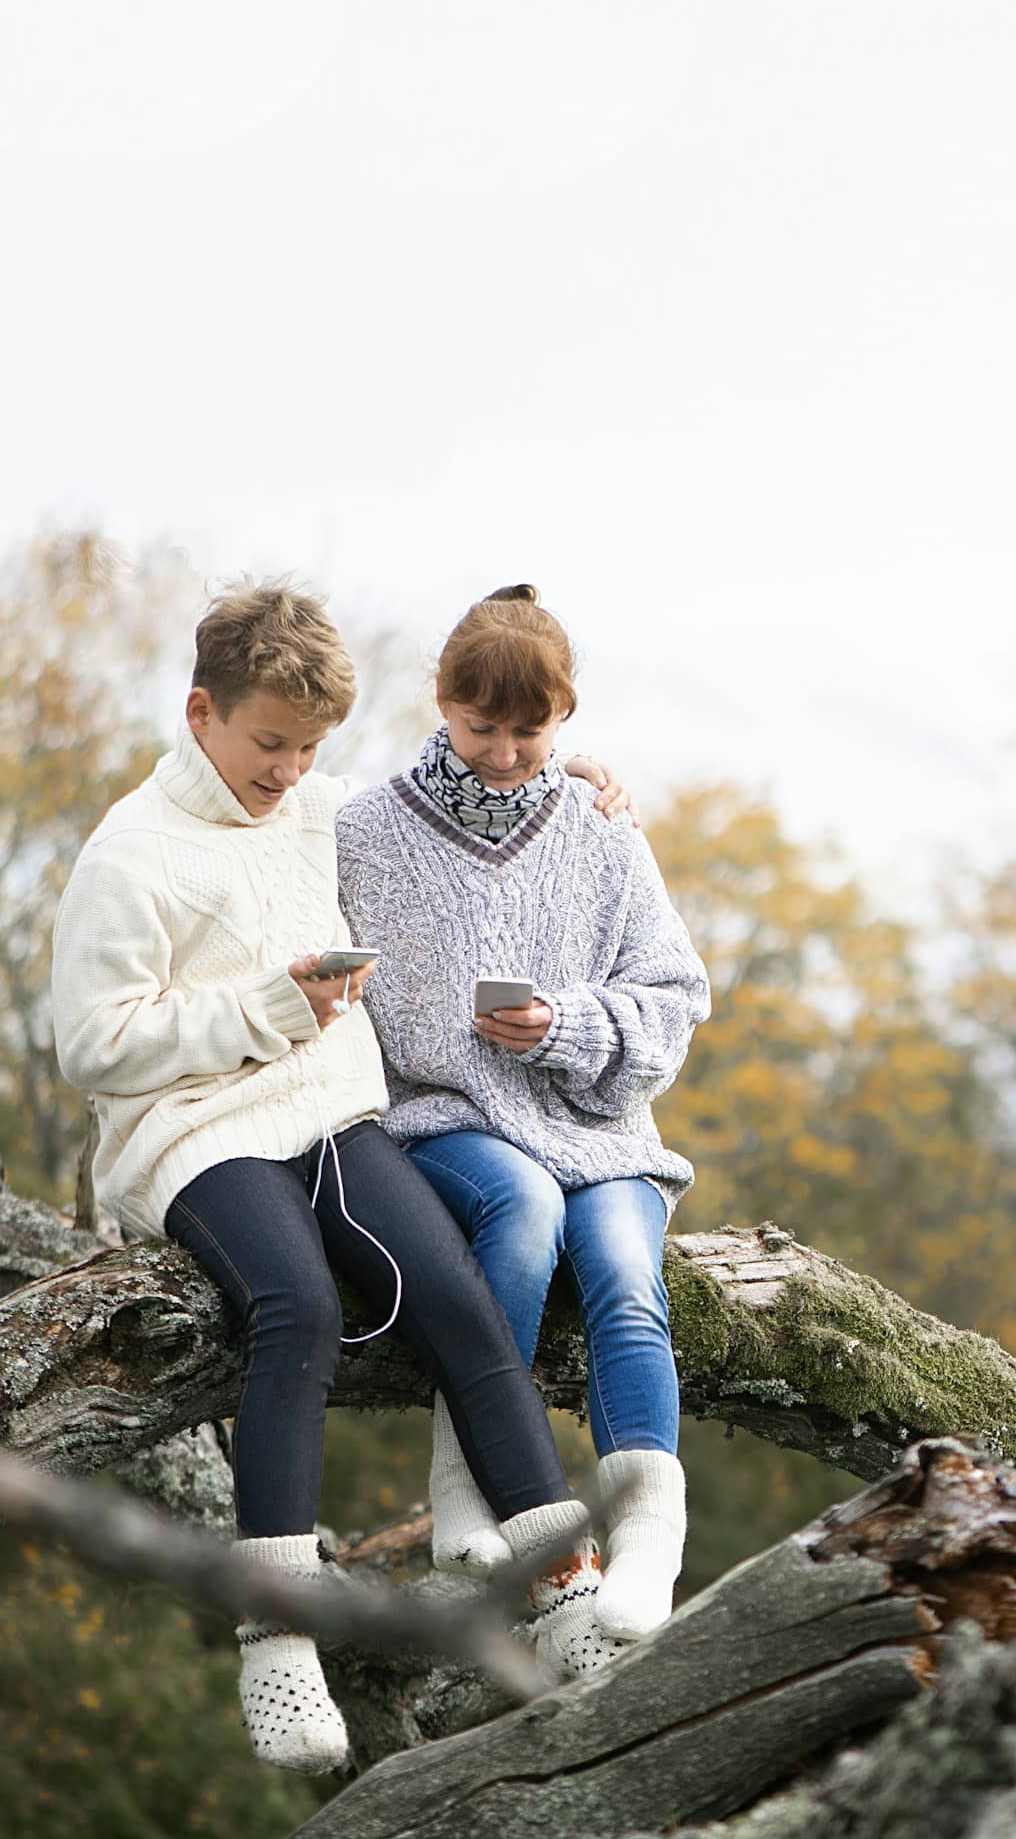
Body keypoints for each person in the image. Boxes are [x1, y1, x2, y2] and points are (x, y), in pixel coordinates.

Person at [51, 582, 619, 1775]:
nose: (288, 767)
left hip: (326, 1112)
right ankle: (278, 1632)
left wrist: (573, 782)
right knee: (295, 1306)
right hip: (195, 1132)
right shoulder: (129, 851)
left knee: (455, 1296)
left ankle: (565, 1583)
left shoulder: (319, 808)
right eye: (269, 742)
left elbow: (452, 802)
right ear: (200, 710)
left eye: (309, 747)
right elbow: (92, 1046)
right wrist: (267, 1004)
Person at [335, 584, 710, 1647]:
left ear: (566, 717)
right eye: (480, 725)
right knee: (523, 1203)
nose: (503, 751)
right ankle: (468, 1481)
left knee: (628, 1283)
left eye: (529, 729)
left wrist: (564, 1026)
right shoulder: (363, 828)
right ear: (440, 703)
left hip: (600, 1129)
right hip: (446, 1120)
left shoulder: (600, 829)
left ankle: (646, 1538)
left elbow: (674, 994)